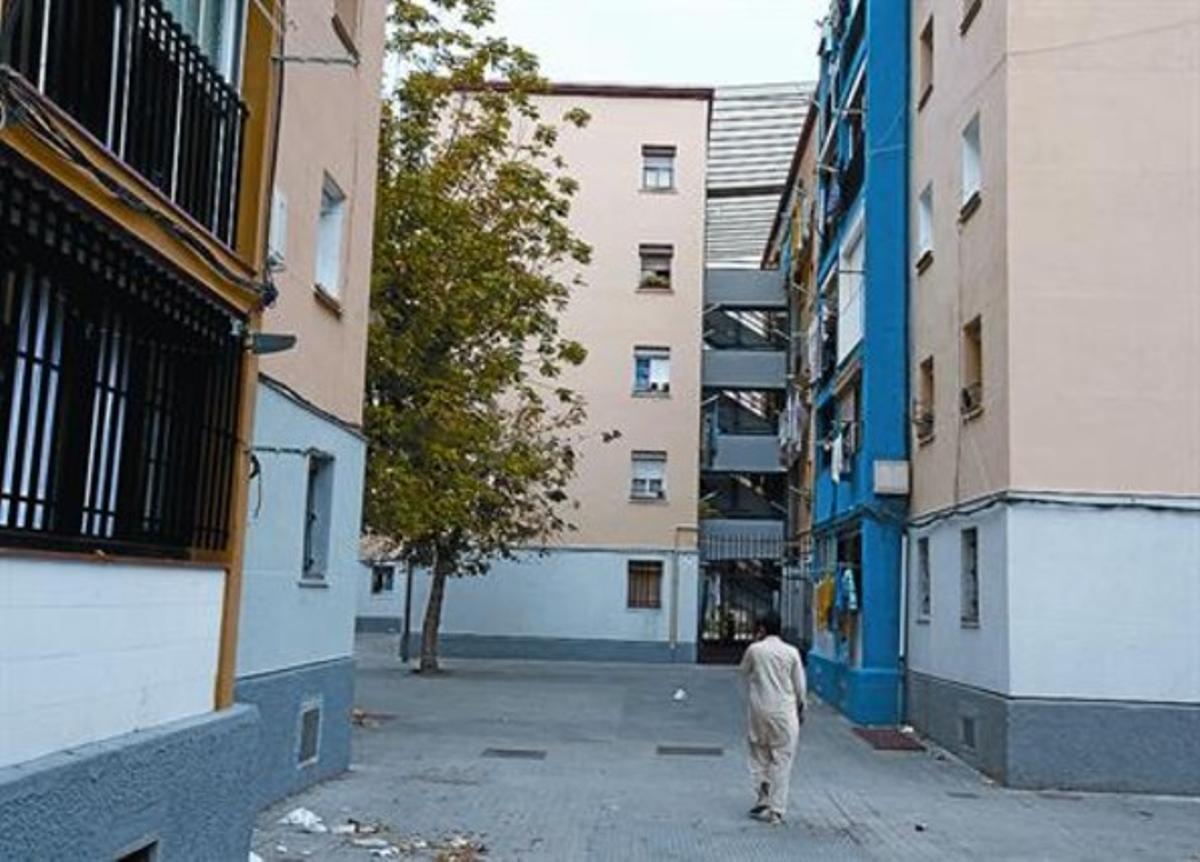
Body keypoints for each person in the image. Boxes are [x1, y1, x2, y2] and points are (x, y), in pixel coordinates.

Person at [739, 611, 807, 825]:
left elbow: (744, 671)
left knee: (759, 753)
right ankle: (776, 810)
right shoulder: (792, 652)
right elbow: (800, 686)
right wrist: (801, 708)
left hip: (759, 711)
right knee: (782, 759)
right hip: (784, 712)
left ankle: (763, 793)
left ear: (762, 629)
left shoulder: (755, 650)